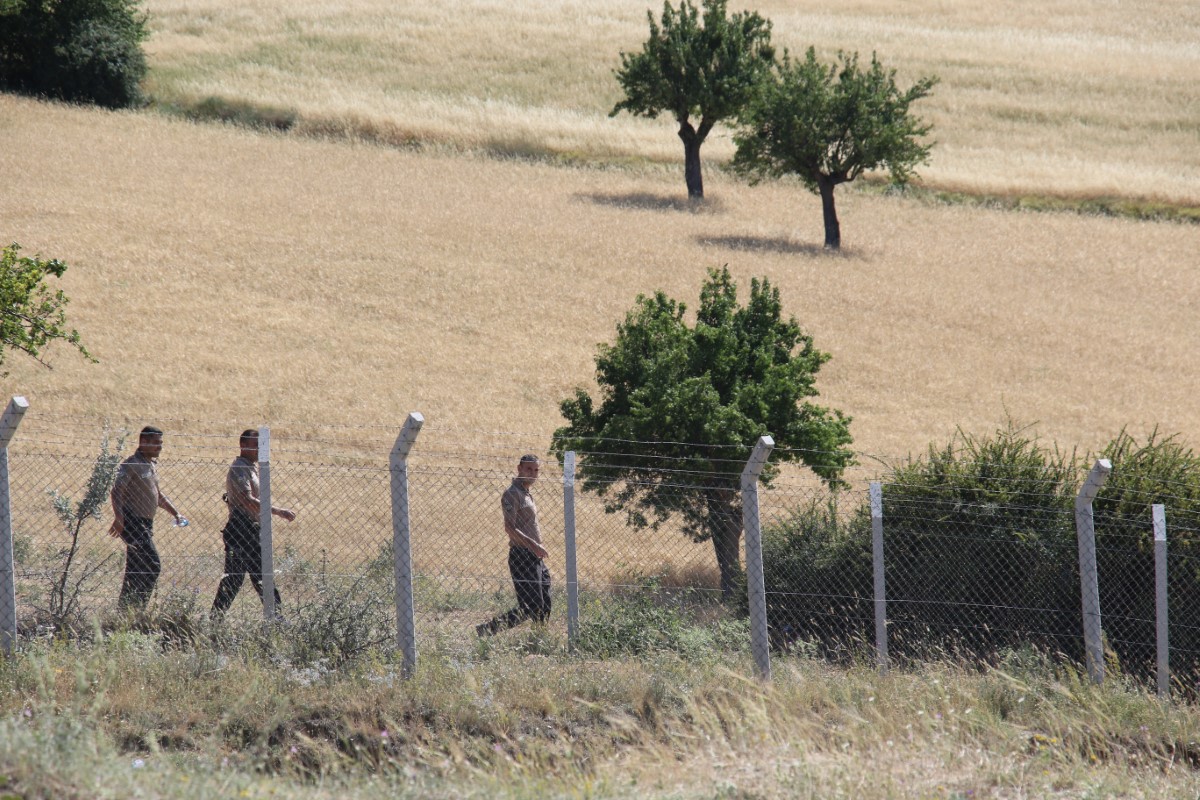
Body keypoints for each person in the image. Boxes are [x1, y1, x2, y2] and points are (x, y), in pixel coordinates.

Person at [211, 429, 296, 617]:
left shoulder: (251, 468)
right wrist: (278, 511)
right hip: (242, 529)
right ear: (243, 445)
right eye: (255, 445)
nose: (259, 449)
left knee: (247, 577)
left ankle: (216, 618)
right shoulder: (240, 469)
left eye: (261, 445)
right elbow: (246, 499)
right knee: (247, 577)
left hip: (249, 529)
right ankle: (276, 618)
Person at [110, 426, 184, 611]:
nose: (160, 447)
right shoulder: (131, 464)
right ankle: (138, 609)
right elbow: (117, 490)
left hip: (145, 523)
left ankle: (125, 611)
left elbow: (158, 495)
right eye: (156, 443)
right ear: (143, 442)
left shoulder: (150, 464)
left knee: (135, 569)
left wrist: (176, 513)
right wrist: (119, 518)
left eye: (161, 443)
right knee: (152, 565)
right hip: (133, 522)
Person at [477, 454, 551, 636]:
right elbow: (510, 528)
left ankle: (539, 638)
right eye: (528, 469)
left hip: (535, 556)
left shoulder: (526, 494)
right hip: (522, 555)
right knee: (530, 606)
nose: (533, 473)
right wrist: (534, 544)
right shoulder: (512, 494)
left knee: (545, 603)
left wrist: (536, 549)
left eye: (536, 470)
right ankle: (487, 631)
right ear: (519, 469)